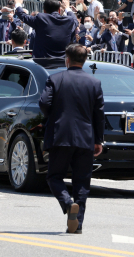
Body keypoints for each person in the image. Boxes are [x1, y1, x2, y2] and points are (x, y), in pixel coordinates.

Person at [39, 44, 104, 234]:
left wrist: (53, 115)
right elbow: (99, 114)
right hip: (85, 137)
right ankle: (78, 224)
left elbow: (44, 103)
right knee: (82, 182)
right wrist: (98, 139)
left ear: (66, 59)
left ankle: (68, 203)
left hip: (60, 135)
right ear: (85, 61)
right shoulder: (94, 83)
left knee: (53, 176)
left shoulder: (55, 79)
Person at [13, 0, 78, 59]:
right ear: (59, 10)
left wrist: (18, 4)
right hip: (63, 64)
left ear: (44, 11)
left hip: (42, 64)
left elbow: (23, 16)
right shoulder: (68, 21)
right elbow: (75, 20)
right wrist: (67, 8)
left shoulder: (41, 19)